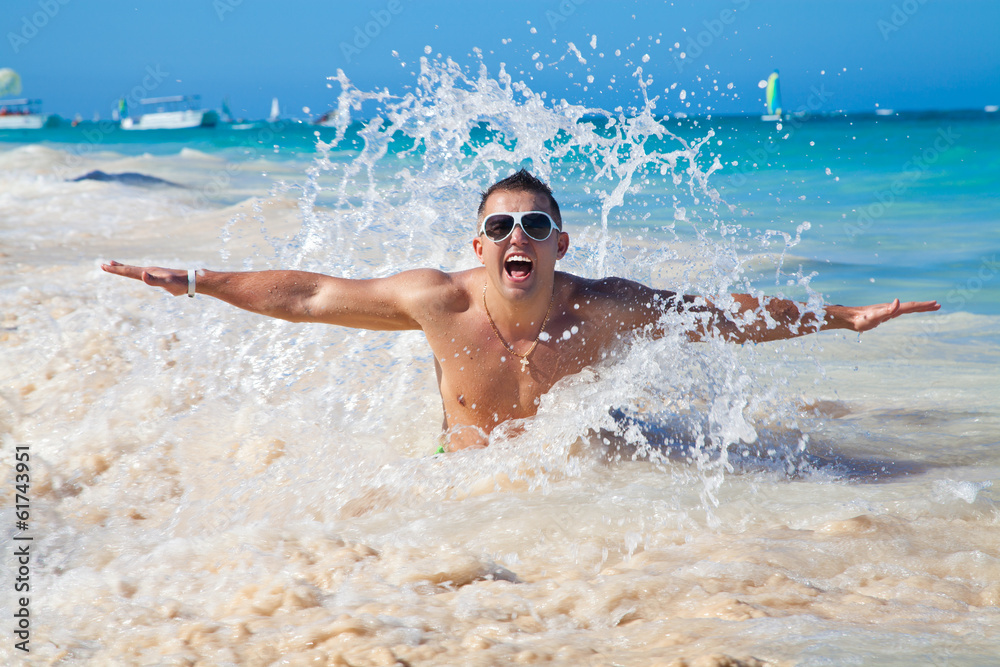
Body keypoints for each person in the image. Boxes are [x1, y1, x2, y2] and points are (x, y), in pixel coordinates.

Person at [102, 169, 940, 451]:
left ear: (559, 244)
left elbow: (721, 313)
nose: (517, 235)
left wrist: (839, 315)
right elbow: (314, 294)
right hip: (466, 475)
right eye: (499, 225)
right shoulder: (437, 300)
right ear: (479, 247)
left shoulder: (609, 307)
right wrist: (195, 279)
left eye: (534, 225)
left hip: (578, 468)